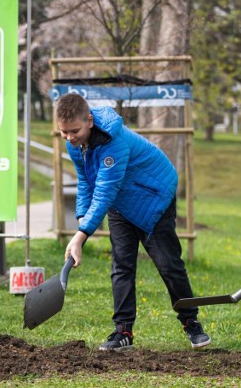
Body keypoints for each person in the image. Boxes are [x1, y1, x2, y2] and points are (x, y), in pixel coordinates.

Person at [55, 93, 211, 352]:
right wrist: (82, 218)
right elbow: (86, 181)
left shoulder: (113, 144)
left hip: (153, 197)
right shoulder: (75, 144)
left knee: (168, 264)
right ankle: (123, 331)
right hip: (122, 201)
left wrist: (81, 235)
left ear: (89, 121)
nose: (70, 137)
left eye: (74, 131)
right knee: (122, 266)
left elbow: (104, 190)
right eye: (64, 132)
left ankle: (191, 322)